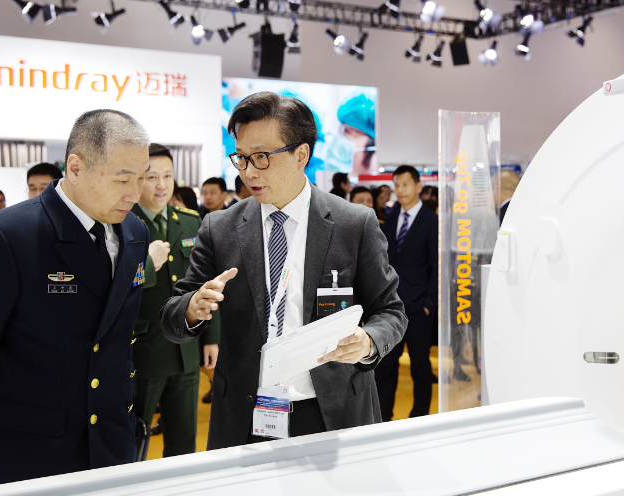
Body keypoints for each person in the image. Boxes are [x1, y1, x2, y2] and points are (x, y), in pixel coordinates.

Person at [160, 91, 406, 449]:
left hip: (333, 412)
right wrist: (192, 308)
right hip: (246, 416)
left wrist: (368, 341)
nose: (248, 172)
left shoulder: (353, 224)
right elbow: (173, 314)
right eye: (241, 158)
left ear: (301, 155)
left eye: (261, 157)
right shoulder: (220, 228)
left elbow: (390, 311)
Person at [0, 109, 151, 487]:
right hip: (29, 447)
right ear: (75, 168)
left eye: (141, 177)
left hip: (112, 440)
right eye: (122, 178)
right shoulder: (5, 236)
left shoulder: (134, 231)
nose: (135, 193)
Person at [131, 143, 219, 457]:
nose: (161, 185)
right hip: (142, 352)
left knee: (183, 442)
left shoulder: (191, 221)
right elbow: (113, 285)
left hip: (186, 351)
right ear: (137, 179)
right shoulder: (122, 223)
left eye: (167, 176)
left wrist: (211, 337)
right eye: (151, 176)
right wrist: (146, 266)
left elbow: (208, 283)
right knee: (134, 440)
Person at [375, 165, 438, 421]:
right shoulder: (390, 217)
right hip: (391, 306)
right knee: (386, 366)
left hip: (419, 308)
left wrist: (429, 303)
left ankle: (420, 418)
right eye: (396, 185)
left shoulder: (431, 220)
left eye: (405, 184)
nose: (400, 190)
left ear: (418, 186)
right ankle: (383, 418)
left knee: (420, 367)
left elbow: (435, 265)